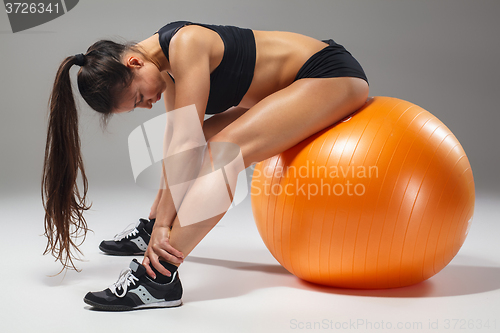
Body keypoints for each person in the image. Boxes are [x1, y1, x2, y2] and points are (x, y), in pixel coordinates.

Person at [42, 21, 369, 311]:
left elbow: (187, 143)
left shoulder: (186, 44)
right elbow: (178, 140)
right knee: (205, 142)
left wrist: (163, 230)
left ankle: (159, 279)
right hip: (290, 90)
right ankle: (153, 237)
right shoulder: (164, 65)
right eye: (139, 106)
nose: (148, 104)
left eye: (140, 97)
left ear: (134, 62)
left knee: (223, 153)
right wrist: (159, 216)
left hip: (329, 75)